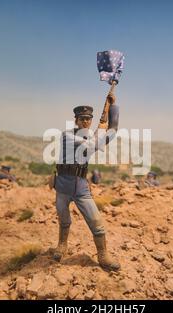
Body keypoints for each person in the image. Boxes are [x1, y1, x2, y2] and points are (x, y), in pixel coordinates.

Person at [53, 92, 120, 271]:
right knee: (64, 218)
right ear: (76, 120)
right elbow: (96, 142)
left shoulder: (90, 137)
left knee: (95, 220)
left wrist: (112, 107)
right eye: (82, 118)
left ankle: (103, 254)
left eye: (88, 119)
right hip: (63, 184)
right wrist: (104, 126)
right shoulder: (67, 136)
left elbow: (108, 133)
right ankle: (62, 245)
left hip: (81, 186)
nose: (85, 122)